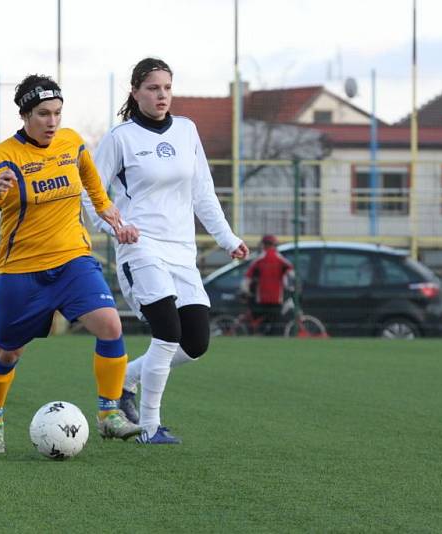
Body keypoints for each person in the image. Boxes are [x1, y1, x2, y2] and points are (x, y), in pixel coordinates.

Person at [0, 73, 141, 453]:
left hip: (72, 260)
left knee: (110, 326)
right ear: (25, 115)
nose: (52, 122)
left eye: (57, 113)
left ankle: (108, 414)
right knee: (7, 353)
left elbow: (93, 184)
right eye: (44, 114)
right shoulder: (4, 156)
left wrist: (110, 214)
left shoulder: (71, 143)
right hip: (21, 271)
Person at [84, 58, 249, 444]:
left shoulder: (188, 131)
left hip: (181, 251)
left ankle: (125, 380)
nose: (162, 95)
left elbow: (203, 194)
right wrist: (114, 226)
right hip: (140, 247)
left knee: (195, 342)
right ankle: (150, 427)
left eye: (167, 88)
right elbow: (89, 193)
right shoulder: (120, 137)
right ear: (135, 92)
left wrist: (228, 239)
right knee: (167, 332)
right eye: (153, 88)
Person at [241, 234, 294, 335]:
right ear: (274, 244)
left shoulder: (259, 260)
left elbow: (248, 277)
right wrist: (291, 287)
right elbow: (291, 273)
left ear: (263, 245)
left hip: (262, 298)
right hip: (277, 298)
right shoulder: (280, 259)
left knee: (262, 322)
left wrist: (245, 291)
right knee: (275, 323)